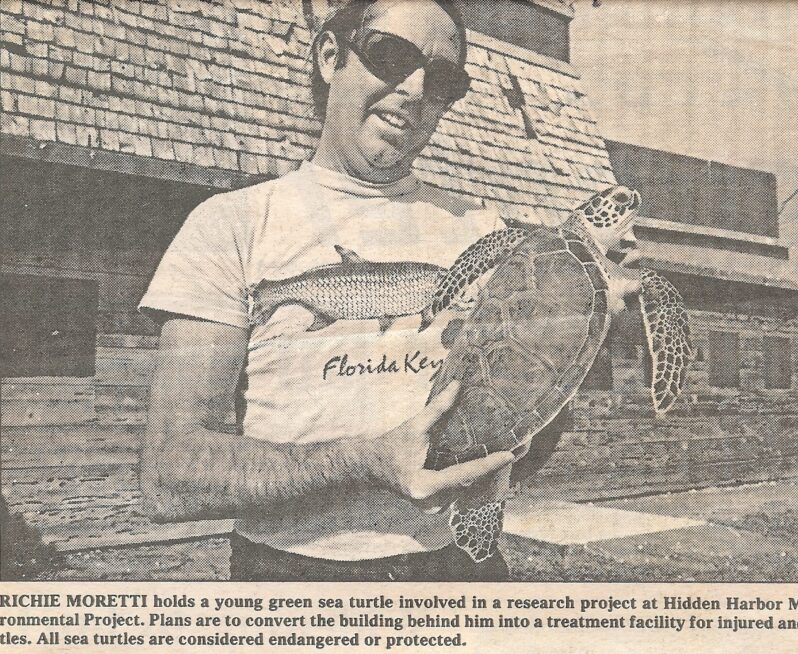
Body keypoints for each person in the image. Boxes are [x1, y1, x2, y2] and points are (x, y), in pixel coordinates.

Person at [139, 0, 517, 581]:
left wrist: (585, 318)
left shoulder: (484, 233)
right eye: (391, 56)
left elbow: (524, 437)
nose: (415, 89)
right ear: (329, 55)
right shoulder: (232, 223)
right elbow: (171, 471)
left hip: (461, 565)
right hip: (294, 577)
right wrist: (367, 461)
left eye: (442, 80)